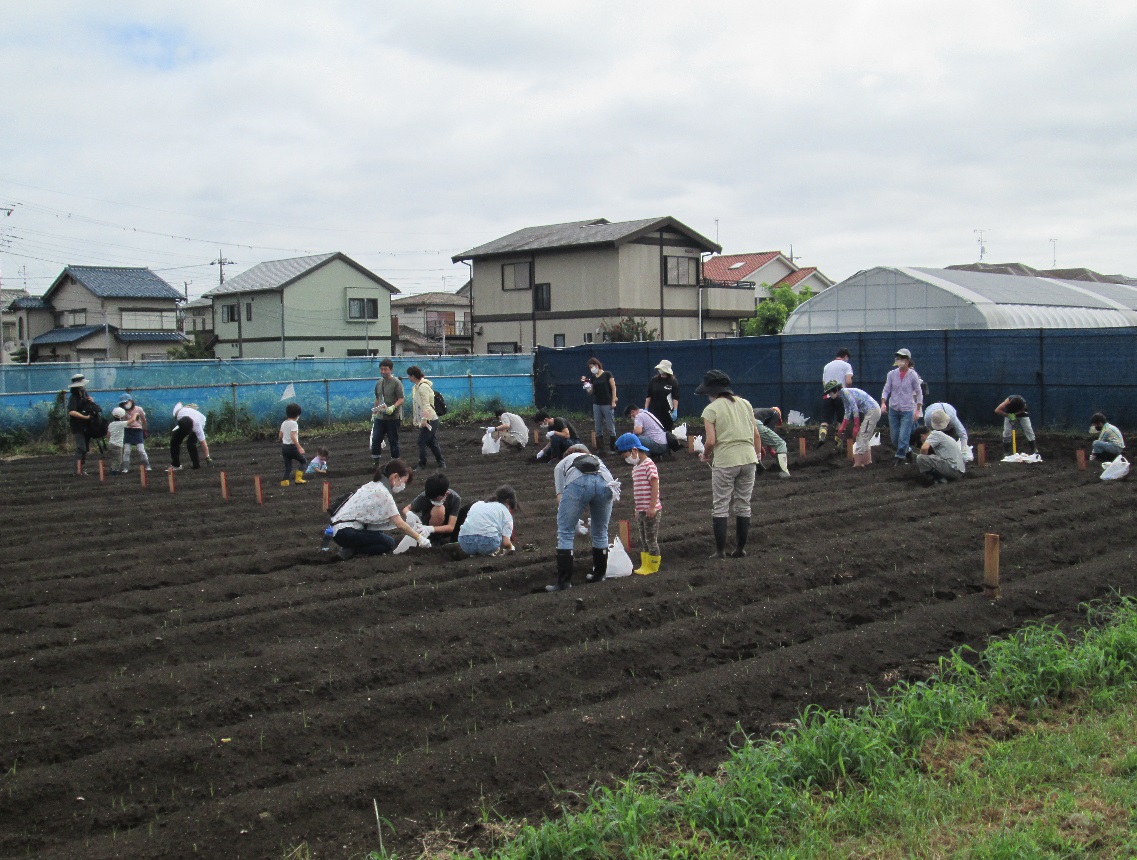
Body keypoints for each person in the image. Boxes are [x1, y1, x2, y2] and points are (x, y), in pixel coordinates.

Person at [698, 370, 760, 559]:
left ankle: (720, 551)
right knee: (743, 504)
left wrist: (706, 455)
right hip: (749, 459)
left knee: (721, 505)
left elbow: (710, 441)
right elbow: (756, 434)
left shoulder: (711, 409)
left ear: (712, 392)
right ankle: (740, 549)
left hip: (726, 461)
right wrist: (757, 453)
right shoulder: (745, 404)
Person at [548, 444, 616, 591]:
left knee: (565, 532)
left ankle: (564, 582)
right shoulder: (595, 458)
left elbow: (561, 498)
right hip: (606, 482)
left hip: (578, 482)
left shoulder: (561, 464)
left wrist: (575, 523)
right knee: (601, 531)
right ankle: (599, 575)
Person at [330, 460, 430, 559]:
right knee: (388, 543)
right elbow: (399, 523)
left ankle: (350, 548)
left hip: (338, 529)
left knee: (379, 534)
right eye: (403, 482)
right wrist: (419, 538)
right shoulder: (384, 493)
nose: (403, 486)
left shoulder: (373, 485)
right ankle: (352, 550)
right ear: (395, 477)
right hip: (346, 531)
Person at [615, 433, 663, 575]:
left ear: (634, 450)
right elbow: (638, 491)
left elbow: (655, 485)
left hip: (651, 509)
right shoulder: (635, 468)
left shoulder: (649, 465)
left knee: (650, 538)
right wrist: (637, 509)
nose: (627, 459)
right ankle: (645, 564)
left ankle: (653, 566)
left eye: (626, 456)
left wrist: (652, 506)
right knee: (643, 538)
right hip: (641, 510)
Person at [823, 381, 881, 468]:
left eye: (830, 393)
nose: (829, 395)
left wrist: (856, 425)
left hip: (872, 411)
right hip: (871, 411)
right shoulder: (844, 395)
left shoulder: (846, 393)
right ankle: (867, 462)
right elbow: (847, 410)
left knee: (862, 436)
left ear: (835, 390)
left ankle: (858, 464)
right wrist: (843, 426)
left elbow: (854, 409)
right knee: (864, 436)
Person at [881, 348, 923, 465]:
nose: (900, 361)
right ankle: (908, 452)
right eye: (898, 358)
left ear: (908, 360)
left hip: (907, 409)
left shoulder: (913, 375)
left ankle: (900, 458)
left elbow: (919, 392)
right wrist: (883, 402)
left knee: (904, 435)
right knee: (895, 438)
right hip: (894, 408)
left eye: (903, 358)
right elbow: (886, 389)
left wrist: (917, 410)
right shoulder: (891, 374)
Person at [457, 485, 518, 556]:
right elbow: (506, 542)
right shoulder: (505, 512)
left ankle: (474, 553)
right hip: (487, 543)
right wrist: (511, 548)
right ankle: (488, 552)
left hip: (464, 542)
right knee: (498, 533)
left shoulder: (477, 504)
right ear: (507, 501)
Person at [404, 473, 463, 545]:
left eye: (435, 499)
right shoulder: (426, 495)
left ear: (446, 493)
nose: (432, 500)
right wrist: (409, 514)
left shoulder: (455, 498)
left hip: (442, 530)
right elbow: (406, 508)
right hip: (425, 527)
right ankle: (431, 538)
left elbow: (451, 527)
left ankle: (436, 539)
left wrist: (431, 529)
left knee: (439, 509)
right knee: (438, 509)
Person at [407, 366, 445, 469]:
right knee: (431, 441)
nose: (408, 378)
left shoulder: (422, 387)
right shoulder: (417, 387)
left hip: (430, 419)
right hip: (430, 418)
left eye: (409, 375)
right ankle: (441, 462)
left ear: (413, 376)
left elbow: (426, 404)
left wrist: (424, 419)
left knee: (422, 441)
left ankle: (422, 464)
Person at [914, 410, 966, 484]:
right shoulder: (943, 435)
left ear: (922, 436)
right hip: (959, 470)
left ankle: (939, 479)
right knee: (932, 457)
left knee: (920, 458)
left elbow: (924, 448)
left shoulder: (935, 434)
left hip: (952, 469)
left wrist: (923, 464)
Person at [66, 374, 101, 474]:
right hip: (78, 426)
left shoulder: (85, 395)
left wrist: (91, 402)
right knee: (81, 447)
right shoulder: (73, 397)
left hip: (87, 426)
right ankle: (76, 470)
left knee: (85, 448)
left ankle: (81, 468)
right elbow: (72, 412)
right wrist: (85, 417)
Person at [371, 359, 404, 464]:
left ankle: (395, 463)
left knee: (393, 440)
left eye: (385, 369)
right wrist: (374, 413)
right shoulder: (379, 383)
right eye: (381, 369)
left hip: (392, 418)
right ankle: (375, 462)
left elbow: (401, 398)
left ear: (391, 369)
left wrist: (393, 407)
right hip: (380, 417)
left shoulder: (396, 383)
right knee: (376, 439)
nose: (383, 371)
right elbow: (377, 398)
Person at [818, 348, 854, 444]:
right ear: (846, 356)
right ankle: (838, 442)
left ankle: (822, 435)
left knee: (825, 420)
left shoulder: (827, 366)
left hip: (827, 396)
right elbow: (848, 381)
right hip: (841, 396)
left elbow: (824, 383)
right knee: (841, 420)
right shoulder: (847, 366)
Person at [583, 357, 618, 452]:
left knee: (610, 426)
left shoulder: (607, 374)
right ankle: (601, 449)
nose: (591, 369)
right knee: (598, 427)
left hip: (607, 403)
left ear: (597, 365)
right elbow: (591, 392)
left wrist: (613, 400)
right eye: (590, 368)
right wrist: (585, 384)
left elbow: (613, 388)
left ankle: (613, 448)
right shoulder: (593, 378)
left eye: (592, 366)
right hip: (597, 404)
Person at [170, 402, 210, 470]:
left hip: (200, 420)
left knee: (191, 443)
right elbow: (179, 404)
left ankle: (196, 465)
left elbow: (203, 442)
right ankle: (176, 465)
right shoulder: (178, 415)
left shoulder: (197, 427)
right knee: (174, 441)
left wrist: (207, 457)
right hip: (185, 421)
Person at [753, 407, 791, 478]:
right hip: (754, 422)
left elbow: (759, 436)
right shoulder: (775, 414)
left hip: (743, 424)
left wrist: (759, 446)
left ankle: (757, 468)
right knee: (780, 444)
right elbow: (768, 436)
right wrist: (771, 450)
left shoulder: (760, 412)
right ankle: (784, 472)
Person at [119, 393, 152, 472]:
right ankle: (125, 467)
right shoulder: (122, 411)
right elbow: (121, 422)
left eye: (126, 402)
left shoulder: (138, 409)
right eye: (123, 403)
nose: (125, 404)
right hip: (127, 431)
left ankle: (147, 466)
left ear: (131, 401)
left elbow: (144, 420)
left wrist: (144, 429)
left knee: (141, 450)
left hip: (137, 430)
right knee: (127, 451)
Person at [644, 359, 680, 432]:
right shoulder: (654, 380)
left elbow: (675, 397)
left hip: (667, 411)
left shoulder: (673, 381)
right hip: (654, 410)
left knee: (667, 431)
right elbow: (649, 395)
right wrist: (646, 409)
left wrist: (675, 410)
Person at [279, 403, 307, 486]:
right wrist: (299, 447)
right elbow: (293, 435)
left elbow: (280, 435)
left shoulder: (284, 423)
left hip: (284, 448)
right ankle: (298, 479)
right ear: (297, 415)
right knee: (303, 461)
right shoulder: (294, 423)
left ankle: (285, 481)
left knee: (288, 466)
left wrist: (283, 441)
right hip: (292, 447)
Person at [106, 407, 129, 474]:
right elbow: (131, 421)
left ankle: (112, 468)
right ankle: (114, 471)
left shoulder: (111, 424)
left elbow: (108, 435)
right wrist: (136, 415)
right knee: (118, 459)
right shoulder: (121, 424)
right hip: (118, 445)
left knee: (113, 458)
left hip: (111, 444)